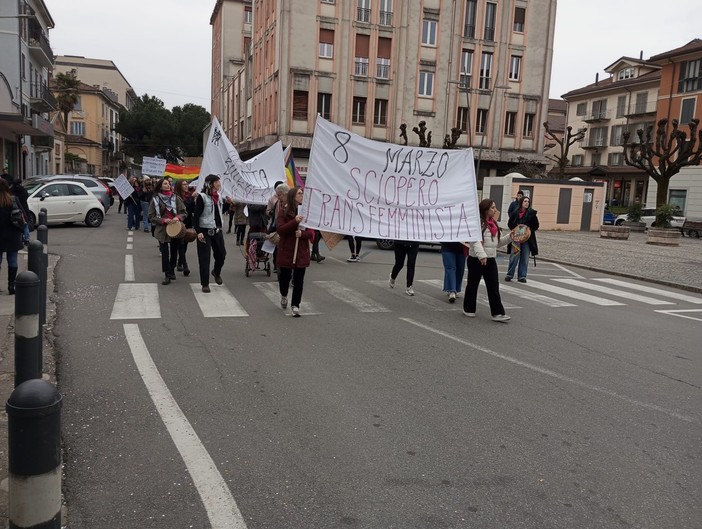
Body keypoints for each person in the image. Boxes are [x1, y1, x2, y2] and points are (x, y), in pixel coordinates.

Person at [464, 199, 513, 322]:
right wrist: (482, 256)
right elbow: (475, 241)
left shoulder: (494, 224)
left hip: (490, 259)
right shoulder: (478, 224)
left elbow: (497, 243)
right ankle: (468, 308)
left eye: (495, 207)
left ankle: (497, 313)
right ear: (485, 210)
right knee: (472, 285)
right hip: (476, 259)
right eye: (492, 208)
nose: (495, 210)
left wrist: (511, 237)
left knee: (493, 286)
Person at [276, 187, 314, 317]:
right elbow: (281, 230)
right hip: (287, 250)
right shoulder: (283, 212)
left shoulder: (306, 212)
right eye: (299, 193)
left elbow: (311, 233)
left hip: (301, 251)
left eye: (302, 193)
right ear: (293, 196)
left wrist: (302, 234)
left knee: (299, 280)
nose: (302, 195)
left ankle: (295, 305)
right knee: (284, 278)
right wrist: (294, 222)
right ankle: (284, 294)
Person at [148, 178, 187, 285]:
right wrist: (164, 220)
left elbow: (184, 212)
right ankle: (167, 274)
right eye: (165, 183)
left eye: (169, 183)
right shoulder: (155, 199)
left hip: (175, 228)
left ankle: (172, 269)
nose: (168, 185)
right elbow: (151, 216)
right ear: (160, 186)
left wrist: (177, 217)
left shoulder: (176, 198)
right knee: (165, 252)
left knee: (174, 252)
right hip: (162, 229)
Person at [194, 174, 227, 293]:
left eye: (219, 181)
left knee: (221, 254)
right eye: (217, 182)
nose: (219, 184)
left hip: (217, 230)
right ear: (210, 183)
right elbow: (196, 216)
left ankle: (216, 272)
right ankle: (205, 284)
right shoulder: (201, 197)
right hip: (204, 231)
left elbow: (222, 211)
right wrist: (198, 232)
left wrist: (229, 203)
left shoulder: (219, 196)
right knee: (204, 258)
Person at [505, 195, 539, 283]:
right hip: (516, 238)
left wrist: (528, 229)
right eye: (525, 201)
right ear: (521, 203)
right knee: (514, 256)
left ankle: (522, 276)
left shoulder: (532, 213)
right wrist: (515, 229)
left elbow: (536, 225)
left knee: (525, 257)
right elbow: (510, 223)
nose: (526, 203)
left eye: (528, 201)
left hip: (527, 239)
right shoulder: (515, 212)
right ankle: (509, 274)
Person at [0, 179, 23, 294]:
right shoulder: (13, 200)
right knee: (12, 260)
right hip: (13, 235)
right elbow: (21, 216)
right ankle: (11, 285)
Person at [174, 180, 194, 276]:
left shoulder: (189, 195)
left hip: (188, 222)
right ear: (179, 186)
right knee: (181, 244)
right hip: (179, 222)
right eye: (184, 184)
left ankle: (179, 262)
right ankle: (185, 265)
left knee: (185, 243)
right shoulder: (176, 197)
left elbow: (192, 209)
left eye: (187, 184)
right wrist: (192, 199)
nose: (186, 186)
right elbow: (184, 208)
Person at [10, 176, 31, 246]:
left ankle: (20, 238)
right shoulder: (23, 190)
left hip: (15, 209)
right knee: (25, 224)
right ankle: (27, 239)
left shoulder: (11, 190)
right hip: (24, 208)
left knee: (18, 224)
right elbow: (26, 197)